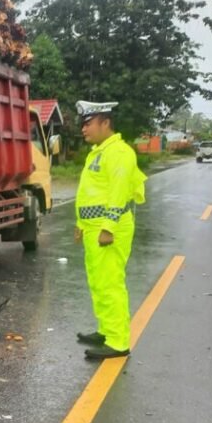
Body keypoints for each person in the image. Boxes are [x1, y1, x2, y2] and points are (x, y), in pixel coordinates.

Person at [74, 101, 147, 360]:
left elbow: (117, 194)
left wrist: (108, 228)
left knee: (111, 283)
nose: (84, 129)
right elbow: (92, 194)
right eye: (83, 124)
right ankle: (106, 330)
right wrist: (81, 224)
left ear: (105, 123)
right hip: (94, 229)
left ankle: (118, 342)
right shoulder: (99, 152)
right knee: (98, 282)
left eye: (88, 123)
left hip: (109, 229)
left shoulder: (119, 152)